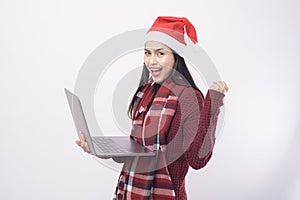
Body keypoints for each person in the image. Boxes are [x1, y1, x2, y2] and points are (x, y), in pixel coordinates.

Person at [76, 16, 229, 200]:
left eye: (160, 53)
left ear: (176, 57)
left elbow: (197, 159)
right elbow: (139, 152)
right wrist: (98, 149)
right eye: (147, 53)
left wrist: (211, 105)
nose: (152, 61)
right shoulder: (146, 92)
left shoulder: (188, 98)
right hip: (128, 192)